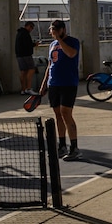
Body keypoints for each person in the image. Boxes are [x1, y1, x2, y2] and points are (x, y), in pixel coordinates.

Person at [40, 19, 81, 161]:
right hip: (54, 84)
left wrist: (60, 40)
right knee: (58, 114)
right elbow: (50, 65)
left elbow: (71, 54)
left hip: (68, 83)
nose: (54, 32)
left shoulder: (72, 41)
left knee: (66, 113)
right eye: (52, 30)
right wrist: (44, 84)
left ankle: (74, 147)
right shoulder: (52, 45)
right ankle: (62, 145)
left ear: (63, 29)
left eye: (56, 30)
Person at [14, 20, 38, 94]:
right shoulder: (26, 34)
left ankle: (23, 89)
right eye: (31, 27)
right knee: (31, 69)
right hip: (26, 55)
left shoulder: (19, 33)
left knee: (23, 72)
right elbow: (27, 45)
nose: (31, 29)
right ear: (28, 26)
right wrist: (34, 44)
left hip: (19, 55)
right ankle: (28, 88)